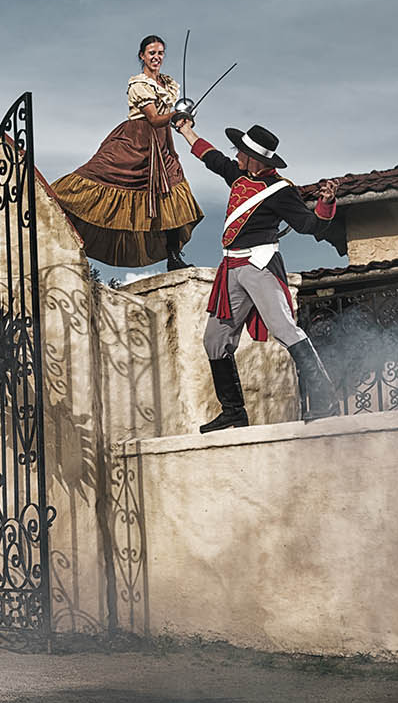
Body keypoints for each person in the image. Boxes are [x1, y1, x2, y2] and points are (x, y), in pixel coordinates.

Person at [174, 118, 345, 429]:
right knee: (215, 340)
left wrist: (326, 203)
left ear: (254, 158)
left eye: (241, 152)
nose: (236, 156)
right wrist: (186, 129)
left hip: (259, 265)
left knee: (286, 330)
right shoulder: (238, 174)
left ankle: (326, 401)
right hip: (231, 269)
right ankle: (234, 412)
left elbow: (310, 225)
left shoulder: (281, 191)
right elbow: (210, 156)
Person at [50, 35, 203, 271]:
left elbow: (163, 125)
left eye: (160, 53)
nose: (156, 57)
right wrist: (176, 115)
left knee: (173, 195)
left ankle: (174, 257)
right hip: (136, 141)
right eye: (151, 53)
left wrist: (172, 152)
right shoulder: (139, 85)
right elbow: (154, 119)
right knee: (98, 177)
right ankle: (52, 205)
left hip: (161, 145)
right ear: (142, 55)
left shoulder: (168, 84)